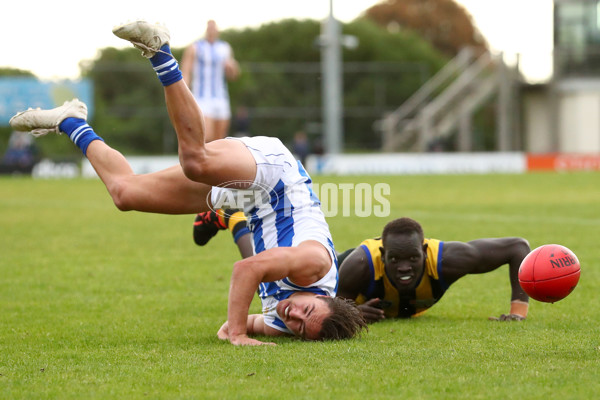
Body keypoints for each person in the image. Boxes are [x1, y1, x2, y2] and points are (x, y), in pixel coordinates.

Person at [10, 21, 365, 346]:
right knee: (196, 161)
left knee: (125, 193)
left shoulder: (289, 323)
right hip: (275, 180)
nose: (295, 316)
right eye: (307, 312)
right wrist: (239, 333)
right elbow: (247, 270)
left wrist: (238, 325)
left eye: (301, 328)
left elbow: (239, 323)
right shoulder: (312, 264)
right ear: (323, 297)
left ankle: (71, 122)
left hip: (246, 202)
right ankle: (160, 52)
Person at [195, 213, 531, 323]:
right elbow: (328, 310)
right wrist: (351, 313)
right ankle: (234, 218)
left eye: (412, 259)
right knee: (271, 286)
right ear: (382, 254)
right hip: (331, 276)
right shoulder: (359, 267)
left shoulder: (447, 260)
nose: (403, 268)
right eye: (395, 259)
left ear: (424, 251)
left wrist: (518, 311)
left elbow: (518, 247)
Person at [181, 20, 240, 142]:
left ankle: (217, 162)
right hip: (202, 97)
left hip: (221, 97)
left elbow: (233, 76)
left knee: (220, 140)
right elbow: (186, 72)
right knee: (206, 137)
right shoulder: (195, 47)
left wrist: (232, 67)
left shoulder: (225, 47)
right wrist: (184, 95)